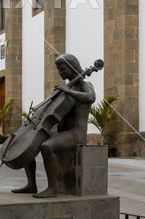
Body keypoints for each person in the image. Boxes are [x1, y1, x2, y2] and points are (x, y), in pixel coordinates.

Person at [11, 54, 96, 198]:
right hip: (62, 131)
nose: (60, 72)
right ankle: (31, 185)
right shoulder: (68, 86)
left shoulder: (84, 85)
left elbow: (90, 97)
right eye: (58, 69)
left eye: (62, 69)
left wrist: (66, 90)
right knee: (30, 142)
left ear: (72, 67)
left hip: (76, 133)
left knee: (47, 146)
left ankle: (52, 188)